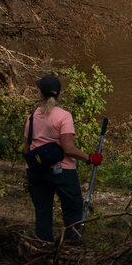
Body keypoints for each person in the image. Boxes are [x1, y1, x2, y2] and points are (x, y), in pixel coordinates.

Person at [24, 75, 102, 246]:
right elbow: (68, 149)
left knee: (42, 212)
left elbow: (27, 149)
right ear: (58, 94)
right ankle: (71, 248)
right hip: (62, 172)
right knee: (73, 209)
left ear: (40, 94)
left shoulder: (31, 118)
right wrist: (90, 158)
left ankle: (44, 249)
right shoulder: (64, 116)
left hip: (36, 172)